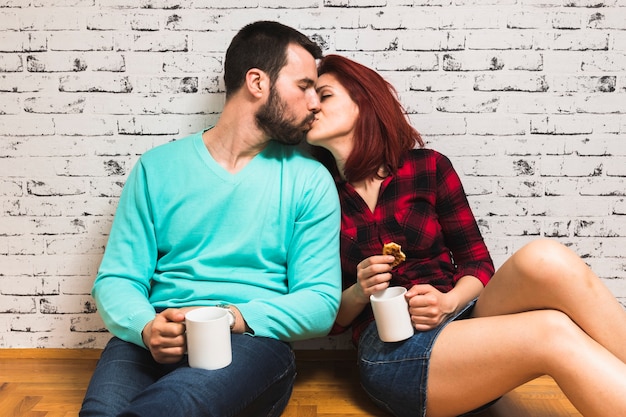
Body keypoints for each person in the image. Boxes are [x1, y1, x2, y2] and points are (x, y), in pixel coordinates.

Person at [305, 54, 626, 417]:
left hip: (463, 319)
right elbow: (323, 319)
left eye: (324, 95)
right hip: (393, 350)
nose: (311, 105)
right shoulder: (314, 193)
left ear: (364, 101)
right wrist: (360, 290)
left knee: (545, 258)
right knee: (552, 330)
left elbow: (477, 263)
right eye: (308, 98)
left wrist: (448, 302)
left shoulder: (428, 166)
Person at [80, 21, 342, 417]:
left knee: (175, 406)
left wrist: (234, 318)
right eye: (304, 85)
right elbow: (117, 278)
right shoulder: (156, 169)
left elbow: (320, 302)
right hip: (155, 333)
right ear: (257, 82)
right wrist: (146, 327)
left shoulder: (310, 181)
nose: (315, 102)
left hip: (252, 339)